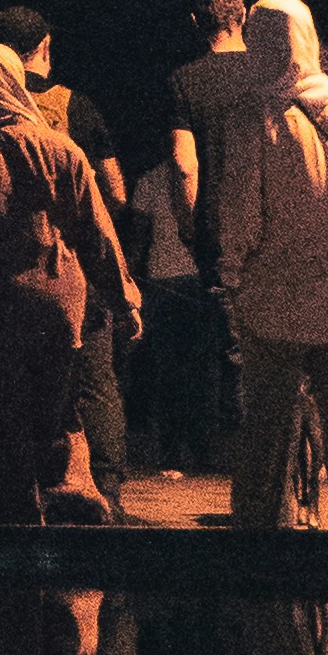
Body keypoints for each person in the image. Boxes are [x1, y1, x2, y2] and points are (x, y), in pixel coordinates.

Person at [0, 45, 139, 529]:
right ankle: (65, 514)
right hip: (59, 309)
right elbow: (97, 234)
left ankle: (12, 530)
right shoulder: (62, 150)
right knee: (52, 417)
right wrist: (126, 301)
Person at [223, 0, 328, 542]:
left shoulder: (254, 119)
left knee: (266, 436)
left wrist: (232, 275)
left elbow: (242, 218)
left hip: (273, 307)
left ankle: (260, 551)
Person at [0, 12, 130, 503]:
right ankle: (108, 485)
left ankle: (34, 485)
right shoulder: (77, 108)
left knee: (20, 384)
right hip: (76, 268)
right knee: (95, 377)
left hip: (9, 274)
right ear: (45, 46)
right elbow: (115, 190)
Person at [124, 131, 222, 474]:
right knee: (200, 371)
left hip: (162, 283)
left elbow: (138, 236)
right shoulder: (208, 180)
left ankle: (170, 452)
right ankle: (203, 450)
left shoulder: (149, 181)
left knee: (167, 372)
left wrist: (130, 279)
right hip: (198, 284)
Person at [168, 0, 264, 293]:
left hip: (218, 230)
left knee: (227, 331)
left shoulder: (185, 80)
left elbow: (185, 165)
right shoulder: (268, 72)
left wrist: (188, 228)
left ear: (195, 22)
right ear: (244, 14)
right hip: (270, 220)